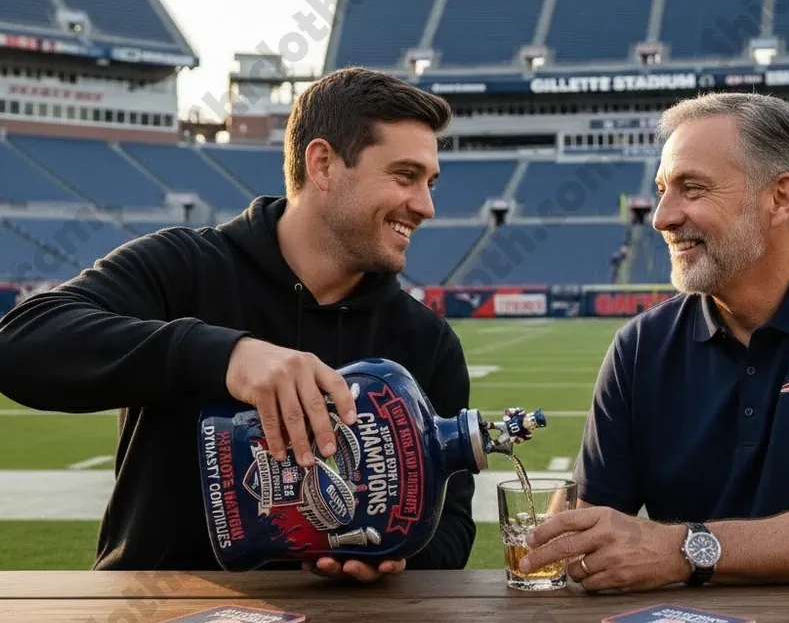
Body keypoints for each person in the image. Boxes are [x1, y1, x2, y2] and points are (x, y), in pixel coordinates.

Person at [0, 67, 475, 580]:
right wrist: (226, 356)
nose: (425, 206)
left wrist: (390, 556)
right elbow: (22, 343)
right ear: (322, 165)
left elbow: (452, 526)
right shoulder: (185, 266)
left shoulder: (427, 343)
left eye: (429, 183)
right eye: (405, 176)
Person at [521, 92, 789, 591]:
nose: (661, 217)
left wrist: (685, 550)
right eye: (662, 189)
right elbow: (574, 538)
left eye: (691, 188)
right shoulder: (640, 345)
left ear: (781, 198)